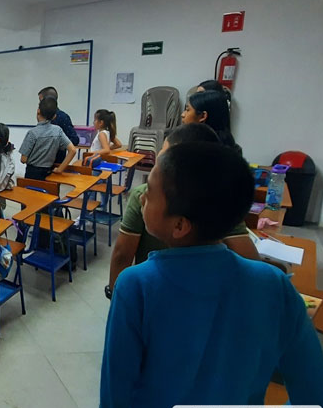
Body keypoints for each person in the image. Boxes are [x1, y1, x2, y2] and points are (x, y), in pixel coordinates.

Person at [96, 141, 323, 408]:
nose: (142, 197)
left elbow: (114, 396)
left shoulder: (136, 286)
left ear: (179, 225)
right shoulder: (274, 285)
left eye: (149, 190)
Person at [106, 122, 259, 299]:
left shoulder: (137, 282)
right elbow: (250, 262)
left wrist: (114, 293)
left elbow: (122, 254)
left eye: (165, 154)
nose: (143, 198)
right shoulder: (223, 200)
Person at [19, 97, 77, 180]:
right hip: (49, 173)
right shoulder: (58, 131)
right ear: (54, 116)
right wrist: (60, 169)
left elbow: (23, 159)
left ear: (38, 111)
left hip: (32, 174)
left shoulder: (32, 133)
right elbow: (73, 150)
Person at [37, 87, 79, 163]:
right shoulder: (41, 116)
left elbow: (75, 139)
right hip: (40, 161)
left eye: (41, 101)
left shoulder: (63, 117)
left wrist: (57, 145)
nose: (39, 104)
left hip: (56, 162)